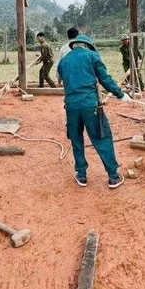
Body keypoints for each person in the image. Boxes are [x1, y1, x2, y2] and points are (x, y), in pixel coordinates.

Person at [57, 34, 131, 189]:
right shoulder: (92, 56)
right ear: (87, 46)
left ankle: (82, 176)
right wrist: (120, 94)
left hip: (71, 107)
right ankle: (113, 176)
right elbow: (105, 78)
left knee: (76, 140)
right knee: (102, 137)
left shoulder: (63, 61)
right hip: (90, 105)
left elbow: (62, 80)